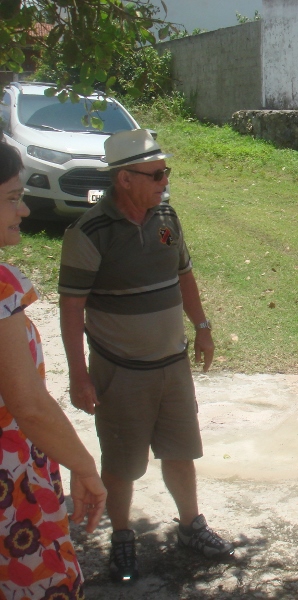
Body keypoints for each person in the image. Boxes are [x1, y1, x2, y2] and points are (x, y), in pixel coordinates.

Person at [58, 129, 233, 584]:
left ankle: (191, 526)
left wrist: (203, 328)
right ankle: (122, 539)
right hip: (122, 372)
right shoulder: (88, 233)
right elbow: (72, 307)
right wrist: (80, 376)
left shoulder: (166, 217)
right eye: (155, 174)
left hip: (171, 365)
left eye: (165, 172)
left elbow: (185, 275)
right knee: (121, 463)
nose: (163, 181)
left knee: (181, 451)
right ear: (124, 180)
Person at [0, 142, 107, 598]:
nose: (23, 209)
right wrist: (84, 467)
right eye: (10, 196)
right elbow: (28, 403)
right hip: (12, 489)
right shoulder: (3, 287)